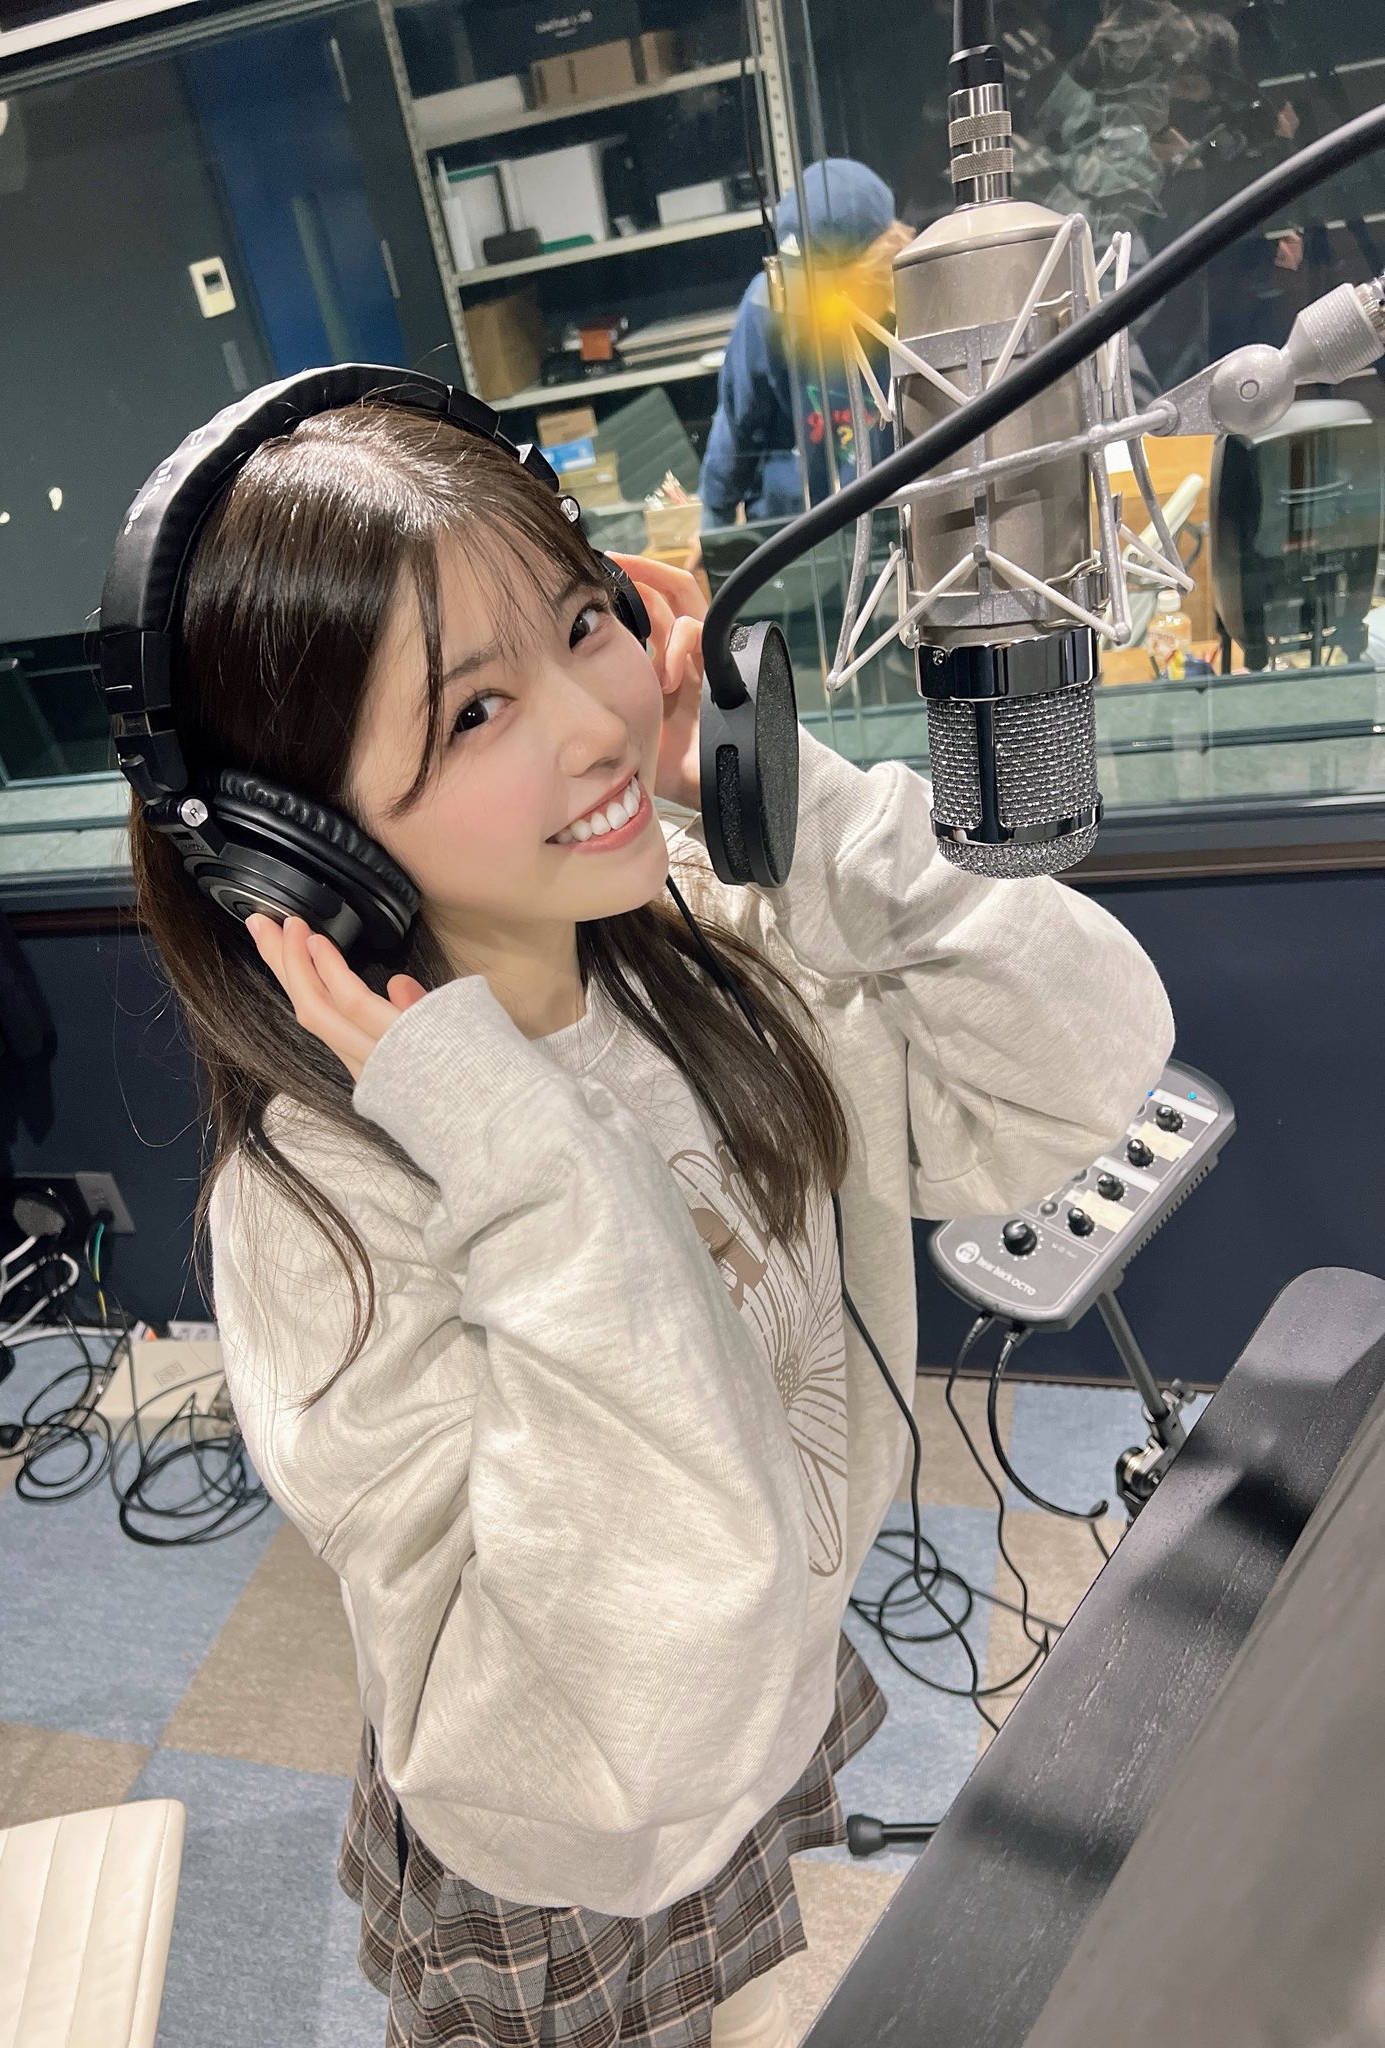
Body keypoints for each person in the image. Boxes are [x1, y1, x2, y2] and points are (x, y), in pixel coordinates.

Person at [126, 392, 1174, 2047]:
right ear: (295, 848)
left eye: (583, 625)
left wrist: (787, 803)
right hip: (575, 1784)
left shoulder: (720, 940)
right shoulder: (327, 1199)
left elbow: (1081, 1069)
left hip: (762, 1674)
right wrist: (520, 1149)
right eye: (476, 711)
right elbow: (609, 1705)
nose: (595, 726)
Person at [698, 158, 911, 532]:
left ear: (878, 265)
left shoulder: (915, 301)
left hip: (893, 520)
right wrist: (714, 524)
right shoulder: (768, 304)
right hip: (798, 529)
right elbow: (736, 422)